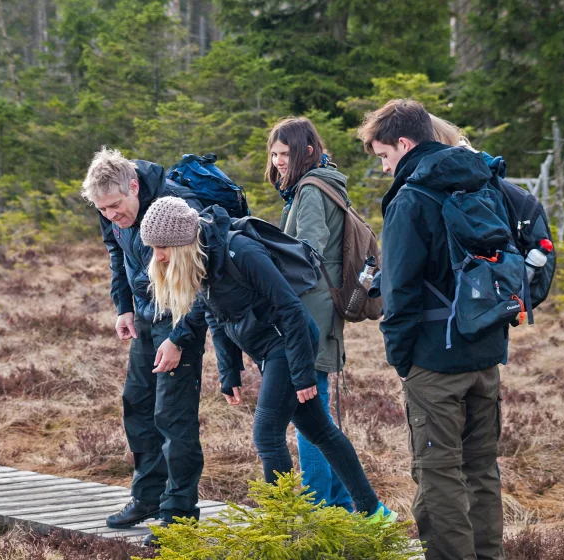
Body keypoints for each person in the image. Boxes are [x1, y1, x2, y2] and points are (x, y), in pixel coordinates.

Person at [138, 195, 397, 522]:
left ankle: (282, 525)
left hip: (288, 345)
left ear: (181, 241)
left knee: (266, 434)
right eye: (153, 248)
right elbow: (216, 315)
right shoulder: (203, 260)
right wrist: (229, 372)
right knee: (321, 432)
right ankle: (375, 512)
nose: (157, 256)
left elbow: (291, 309)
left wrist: (303, 374)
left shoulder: (241, 252)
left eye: (162, 247)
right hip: (267, 350)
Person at [357, 99, 506, 559]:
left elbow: (399, 293)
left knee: (438, 472)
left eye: (384, 156)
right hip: (485, 352)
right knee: (482, 470)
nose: (384, 168)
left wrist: (402, 359)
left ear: (404, 143)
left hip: (434, 362)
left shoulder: (411, 198)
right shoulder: (482, 180)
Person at [81, 147, 212, 544]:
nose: (110, 216)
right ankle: (148, 496)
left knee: (174, 416)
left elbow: (204, 280)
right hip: (144, 316)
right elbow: (116, 254)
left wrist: (179, 339)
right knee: (137, 404)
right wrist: (124, 307)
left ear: (134, 186)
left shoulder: (176, 209)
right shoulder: (111, 212)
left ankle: (179, 514)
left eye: (116, 206)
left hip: (180, 318)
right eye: (102, 209)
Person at [266, 116, 353, 512]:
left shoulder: (312, 190)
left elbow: (309, 249)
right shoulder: (319, 183)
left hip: (310, 312)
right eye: (274, 153)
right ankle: (338, 503)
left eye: (285, 153)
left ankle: (321, 508)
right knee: (317, 413)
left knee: (308, 415)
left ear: (307, 152)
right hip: (318, 309)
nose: (278, 160)